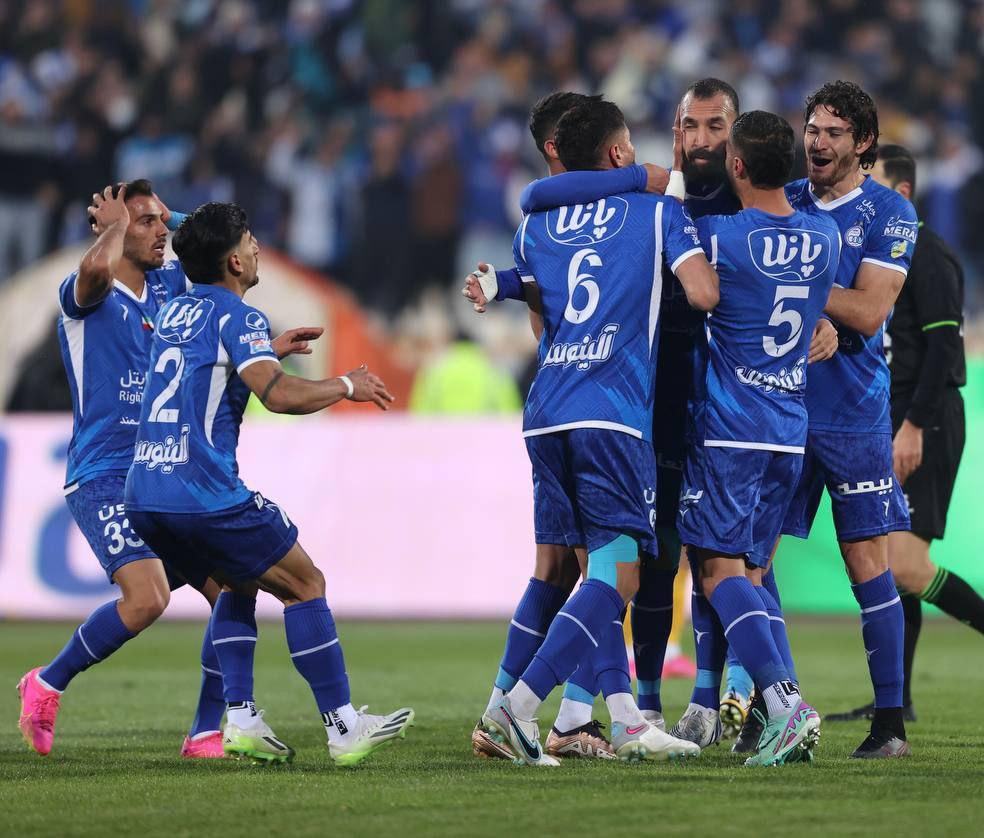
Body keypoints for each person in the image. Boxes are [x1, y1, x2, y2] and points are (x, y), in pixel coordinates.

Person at [512, 80, 840, 742]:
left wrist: (823, 317)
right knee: (656, 557)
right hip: (654, 396)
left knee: (726, 560)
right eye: (692, 126)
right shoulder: (669, 199)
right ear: (677, 131)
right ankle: (643, 704)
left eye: (717, 126)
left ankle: (721, 700)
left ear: (737, 140)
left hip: (718, 407)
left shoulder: (719, 207)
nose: (703, 139)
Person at [16, 181, 314, 760]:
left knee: (233, 585)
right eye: (149, 224)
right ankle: (47, 683)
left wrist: (262, 352)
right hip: (103, 472)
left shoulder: (168, 285)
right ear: (116, 231)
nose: (164, 233)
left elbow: (211, 240)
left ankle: (205, 731)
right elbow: (95, 270)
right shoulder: (87, 293)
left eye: (163, 222)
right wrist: (115, 226)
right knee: (148, 598)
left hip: (161, 470)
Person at [123, 201, 414, 766]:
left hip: (145, 491)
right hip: (200, 491)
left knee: (238, 582)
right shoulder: (240, 316)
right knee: (305, 583)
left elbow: (202, 366)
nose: (257, 247)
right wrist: (345, 385)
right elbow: (278, 395)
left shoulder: (177, 309)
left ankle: (241, 720)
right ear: (234, 260)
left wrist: (263, 352)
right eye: (250, 240)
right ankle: (344, 726)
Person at [479, 97, 718, 766]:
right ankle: (518, 709)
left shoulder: (536, 226)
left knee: (589, 570)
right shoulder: (657, 211)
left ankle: (618, 720)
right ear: (617, 153)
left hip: (547, 408)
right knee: (617, 576)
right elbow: (703, 293)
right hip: (611, 412)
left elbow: (541, 321)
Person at [828, 145, 984, 726]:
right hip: (891, 418)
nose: (861, 196)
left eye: (872, 184)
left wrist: (914, 426)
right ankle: (895, 700)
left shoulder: (928, 254)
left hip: (926, 419)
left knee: (904, 564)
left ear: (900, 193)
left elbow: (944, 347)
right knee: (889, 562)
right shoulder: (879, 254)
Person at [672, 110, 838, 764]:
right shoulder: (825, 237)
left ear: (735, 166)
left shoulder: (719, 237)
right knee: (754, 574)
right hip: (788, 431)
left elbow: (692, 277)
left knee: (717, 572)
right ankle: (775, 714)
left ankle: (786, 703)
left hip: (730, 429)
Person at [770, 81, 915, 759]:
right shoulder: (784, 199)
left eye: (833, 133)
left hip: (854, 415)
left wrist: (798, 288)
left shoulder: (890, 212)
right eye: (812, 130)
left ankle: (889, 725)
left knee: (867, 565)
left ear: (863, 143)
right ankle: (773, 703)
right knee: (748, 558)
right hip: (777, 407)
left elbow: (869, 310)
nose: (817, 143)